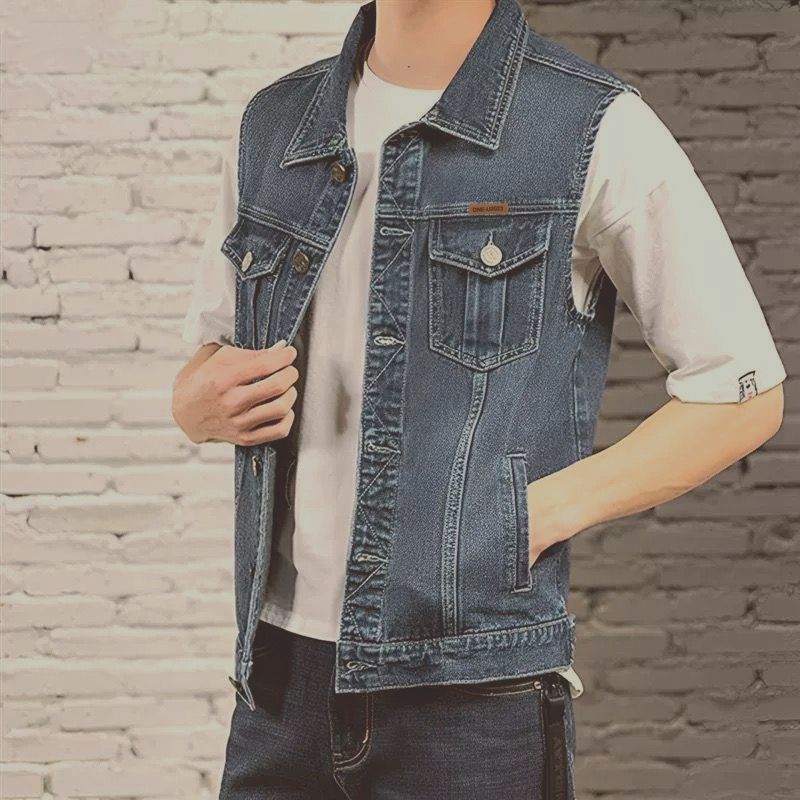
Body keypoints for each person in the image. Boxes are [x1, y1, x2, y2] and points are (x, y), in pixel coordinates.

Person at [172, 0, 786, 797]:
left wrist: (535, 515)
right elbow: (212, 351)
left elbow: (740, 391)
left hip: (471, 691)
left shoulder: (590, 124)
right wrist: (194, 403)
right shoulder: (275, 123)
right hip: (279, 683)